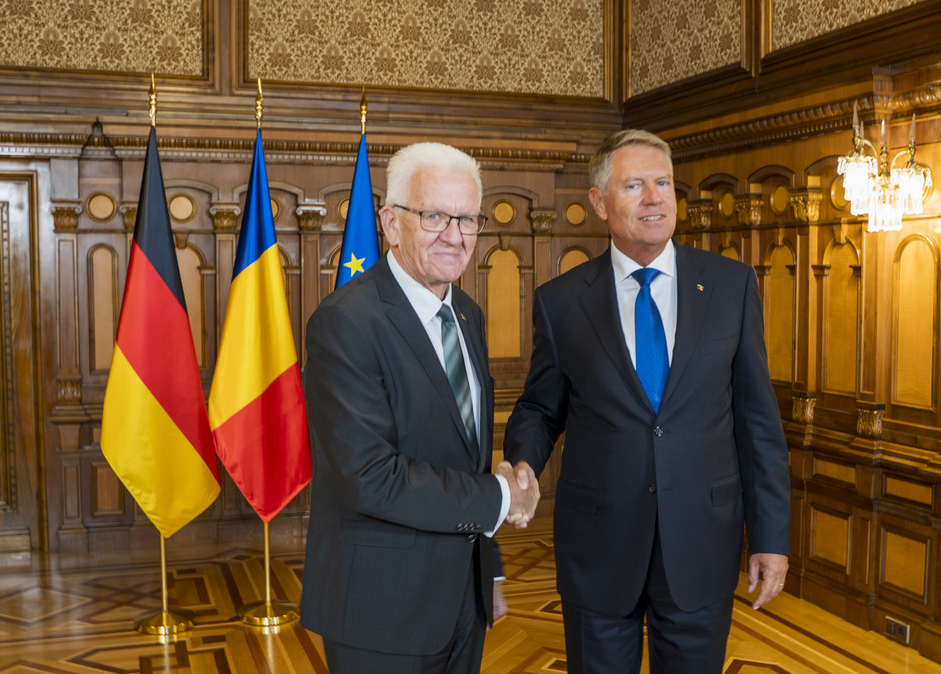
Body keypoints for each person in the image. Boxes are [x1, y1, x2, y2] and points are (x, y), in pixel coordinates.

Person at [503, 129, 791, 673]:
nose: (654, 197)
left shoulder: (731, 287)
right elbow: (541, 408)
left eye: (663, 183)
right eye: (634, 185)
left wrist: (771, 536)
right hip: (598, 548)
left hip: (702, 544)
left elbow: (758, 424)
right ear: (599, 201)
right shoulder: (561, 302)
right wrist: (522, 460)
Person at [301, 141, 540, 673]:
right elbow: (371, 476)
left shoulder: (468, 316)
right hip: (382, 608)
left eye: (468, 219)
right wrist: (502, 497)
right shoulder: (346, 323)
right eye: (434, 216)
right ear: (390, 222)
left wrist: (490, 564)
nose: (455, 237)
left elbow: (465, 457)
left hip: (464, 598)